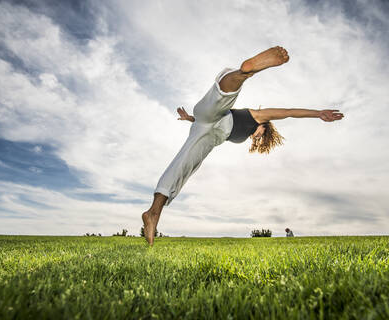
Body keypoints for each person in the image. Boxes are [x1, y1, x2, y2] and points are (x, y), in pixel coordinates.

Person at [142, 46, 344, 245]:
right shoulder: (257, 117)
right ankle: (243, 72)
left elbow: (204, 120)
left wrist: (189, 119)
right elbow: (288, 111)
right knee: (222, 98)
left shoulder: (245, 133)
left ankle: (153, 213)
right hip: (217, 117)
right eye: (261, 136)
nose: (256, 138)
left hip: (206, 133)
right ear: (265, 127)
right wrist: (317, 113)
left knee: (183, 167)